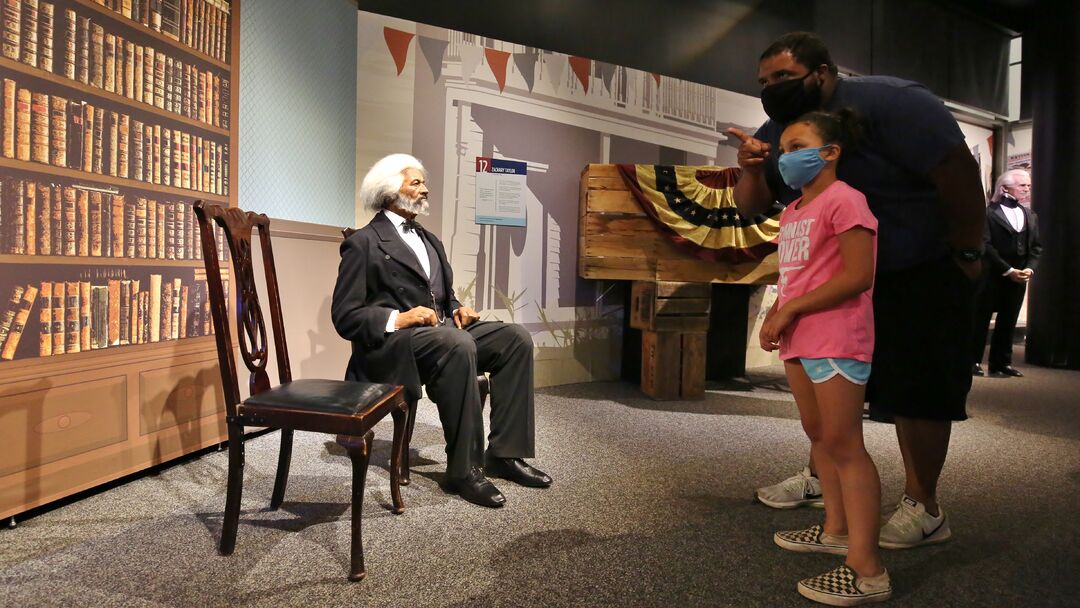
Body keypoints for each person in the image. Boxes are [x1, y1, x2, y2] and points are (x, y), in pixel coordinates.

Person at [728, 32, 986, 550]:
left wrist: (966, 255)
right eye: (763, 82)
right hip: (835, 290)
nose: (771, 90)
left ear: (822, 71)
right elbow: (752, 206)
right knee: (830, 399)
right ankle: (827, 484)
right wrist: (752, 166)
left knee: (919, 389)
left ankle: (923, 505)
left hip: (917, 269)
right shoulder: (780, 129)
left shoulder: (896, 102)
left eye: (782, 77)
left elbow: (957, 172)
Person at [331, 153, 552, 509]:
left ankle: (504, 454)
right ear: (390, 191)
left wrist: (456, 309)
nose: (425, 189)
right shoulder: (364, 243)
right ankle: (464, 470)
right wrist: (398, 318)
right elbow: (345, 316)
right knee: (458, 344)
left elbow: (443, 297)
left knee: (515, 339)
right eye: (415, 182)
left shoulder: (430, 239)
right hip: (395, 345)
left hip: (443, 334)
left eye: (422, 182)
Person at [760, 109, 890, 605]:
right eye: (784, 149)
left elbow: (858, 275)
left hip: (836, 337)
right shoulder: (792, 211)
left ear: (830, 152)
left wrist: (790, 309)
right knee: (819, 437)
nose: (785, 157)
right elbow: (796, 275)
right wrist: (778, 315)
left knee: (844, 444)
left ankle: (868, 567)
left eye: (797, 147)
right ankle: (835, 529)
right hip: (800, 336)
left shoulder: (846, 200)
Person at [971, 169, 1041, 378]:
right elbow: (985, 244)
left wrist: (1029, 268)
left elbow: (1036, 246)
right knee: (981, 318)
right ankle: (973, 360)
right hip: (992, 274)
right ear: (1005, 187)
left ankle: (1001, 362)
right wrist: (1007, 269)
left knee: (1009, 319)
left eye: (1028, 185)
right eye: (1022, 185)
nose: (1026, 189)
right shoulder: (988, 213)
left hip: (1019, 276)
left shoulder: (1030, 215)